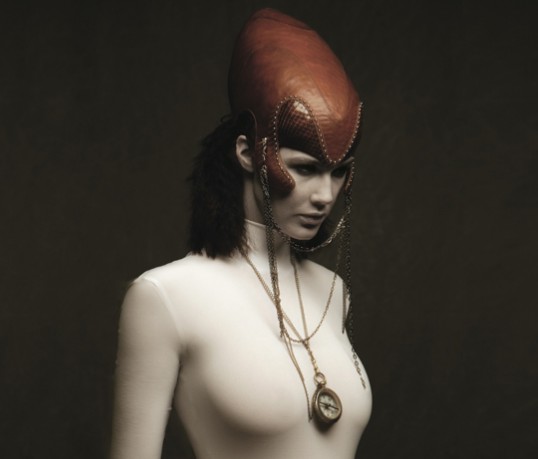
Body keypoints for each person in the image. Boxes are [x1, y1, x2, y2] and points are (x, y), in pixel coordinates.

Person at [111, 8, 371, 459]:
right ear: (247, 153)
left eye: (339, 173)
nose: (325, 195)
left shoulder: (333, 292)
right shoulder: (164, 296)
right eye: (305, 169)